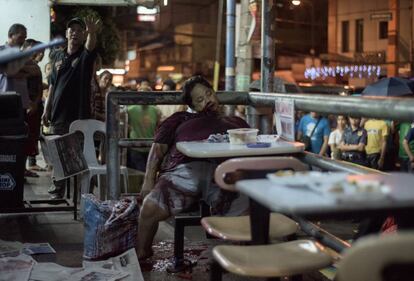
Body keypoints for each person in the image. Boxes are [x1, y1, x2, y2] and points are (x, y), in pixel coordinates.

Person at [136, 76, 249, 259]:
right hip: (183, 172)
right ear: (193, 106)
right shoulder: (180, 119)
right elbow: (158, 148)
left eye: (208, 94)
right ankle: (142, 252)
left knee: (245, 214)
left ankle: (238, 260)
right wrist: (148, 181)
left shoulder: (236, 123)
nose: (208, 101)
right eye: (200, 100)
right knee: (149, 209)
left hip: (222, 174)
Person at [42, 17, 100, 199]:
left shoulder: (84, 56)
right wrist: (46, 109)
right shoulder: (58, 56)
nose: (74, 32)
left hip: (79, 114)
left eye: (79, 30)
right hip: (58, 114)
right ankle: (58, 189)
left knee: (81, 155)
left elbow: (91, 46)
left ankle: (85, 193)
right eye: (71, 29)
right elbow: (52, 85)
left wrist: (92, 33)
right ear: (66, 34)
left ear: (83, 36)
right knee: (58, 151)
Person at [22, 39, 45, 173]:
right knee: (23, 137)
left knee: (30, 137)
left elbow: (39, 88)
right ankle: (22, 167)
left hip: (33, 107)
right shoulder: (21, 64)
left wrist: (35, 103)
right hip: (22, 107)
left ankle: (24, 167)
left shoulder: (35, 67)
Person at [127, 85, 161, 172]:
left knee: (147, 173)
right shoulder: (130, 110)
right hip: (135, 147)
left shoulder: (156, 110)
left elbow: (158, 127)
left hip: (150, 147)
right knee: (141, 172)